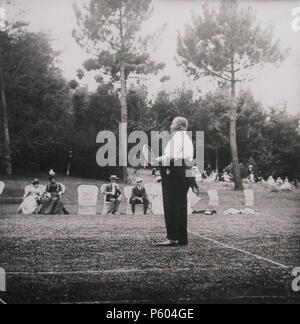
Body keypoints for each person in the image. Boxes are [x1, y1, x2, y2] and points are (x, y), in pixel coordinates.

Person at [155, 117, 198, 247]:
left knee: (171, 203)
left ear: (179, 126)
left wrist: (156, 159)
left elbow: (171, 156)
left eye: (173, 123)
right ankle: (181, 238)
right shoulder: (187, 138)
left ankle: (172, 237)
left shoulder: (178, 137)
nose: (171, 125)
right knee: (181, 204)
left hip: (175, 170)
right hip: (186, 170)